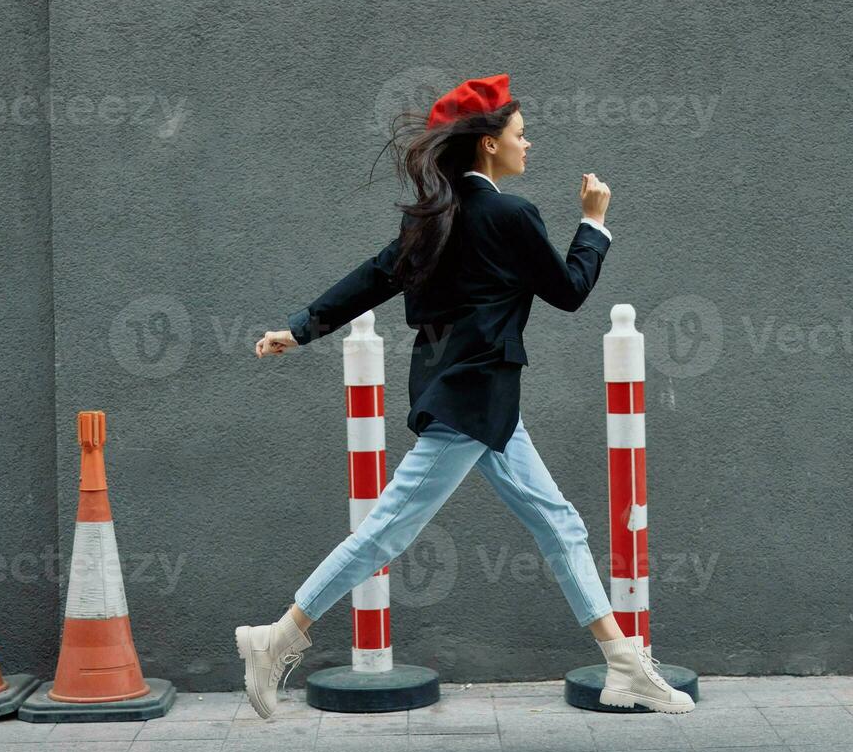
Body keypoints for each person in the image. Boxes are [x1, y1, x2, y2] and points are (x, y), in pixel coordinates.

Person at [234, 73, 692, 719]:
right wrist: (593, 224)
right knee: (386, 532)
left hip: (479, 398)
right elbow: (568, 291)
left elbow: (374, 276)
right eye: (520, 135)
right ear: (487, 146)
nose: (528, 146)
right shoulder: (510, 215)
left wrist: (303, 327)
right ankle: (277, 637)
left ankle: (622, 664)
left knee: (560, 523)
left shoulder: (437, 217)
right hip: (473, 400)